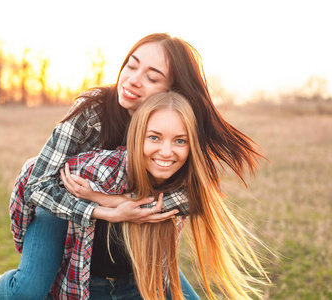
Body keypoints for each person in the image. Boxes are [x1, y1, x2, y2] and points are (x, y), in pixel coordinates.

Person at [0, 32, 266, 300]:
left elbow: (193, 195)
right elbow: (38, 185)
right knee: (28, 291)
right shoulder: (92, 111)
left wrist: (111, 200)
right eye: (131, 65)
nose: (133, 80)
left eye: (152, 78)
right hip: (58, 200)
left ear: (172, 91)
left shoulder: (177, 125)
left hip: (123, 216)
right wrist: (103, 210)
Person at [59, 91, 269, 299]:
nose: (166, 152)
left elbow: (191, 200)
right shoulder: (103, 168)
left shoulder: (186, 184)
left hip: (144, 285)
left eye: (180, 141)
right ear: (136, 137)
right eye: (154, 138)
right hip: (88, 287)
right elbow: (40, 178)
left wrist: (102, 199)